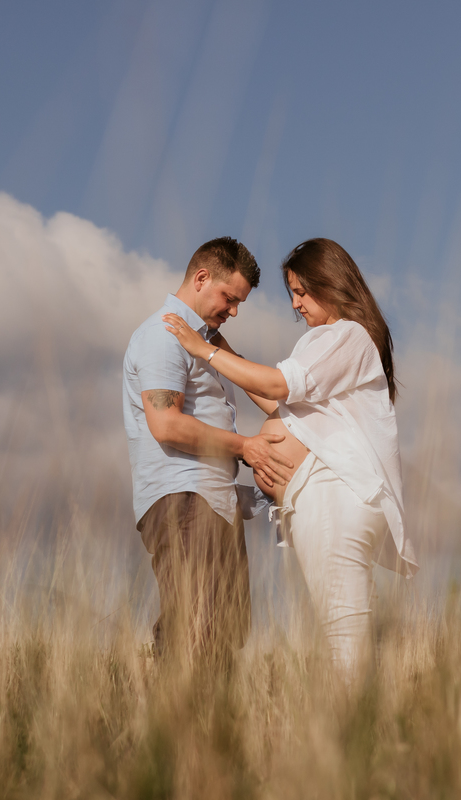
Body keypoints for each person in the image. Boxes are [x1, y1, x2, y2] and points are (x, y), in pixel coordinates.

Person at [163, 238, 418, 678]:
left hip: (333, 498)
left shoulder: (348, 335)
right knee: (346, 635)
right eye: (292, 295)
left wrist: (204, 349)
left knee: (345, 642)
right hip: (319, 500)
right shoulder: (327, 342)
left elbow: (280, 386)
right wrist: (231, 355)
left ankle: (354, 738)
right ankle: (362, 731)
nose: (296, 305)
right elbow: (282, 408)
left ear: (330, 283)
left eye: (301, 292)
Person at [123, 236, 293, 665]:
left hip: (209, 503)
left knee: (223, 633)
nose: (233, 311)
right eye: (229, 298)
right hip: (183, 502)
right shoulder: (164, 336)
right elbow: (166, 424)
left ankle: (210, 728)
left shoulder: (203, 342)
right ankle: (176, 728)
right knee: (196, 627)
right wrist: (246, 448)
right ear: (201, 278)